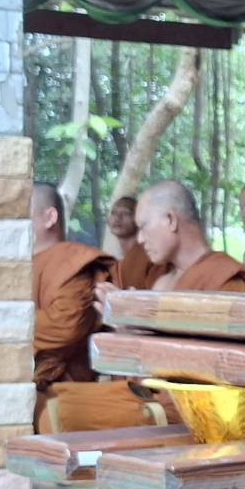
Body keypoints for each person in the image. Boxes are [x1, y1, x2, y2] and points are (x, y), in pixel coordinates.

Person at [31, 183, 152, 433]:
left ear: (49, 217)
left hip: (65, 392)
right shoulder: (16, 264)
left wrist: (3, 328)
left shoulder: (72, 262)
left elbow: (65, 326)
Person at [133, 181, 245, 293]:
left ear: (171, 220)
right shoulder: (160, 280)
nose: (140, 239)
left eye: (143, 226)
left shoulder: (226, 280)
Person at [107, 194, 167, 289]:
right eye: (113, 213)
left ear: (138, 219)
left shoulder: (150, 254)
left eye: (126, 213)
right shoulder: (116, 260)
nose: (118, 218)